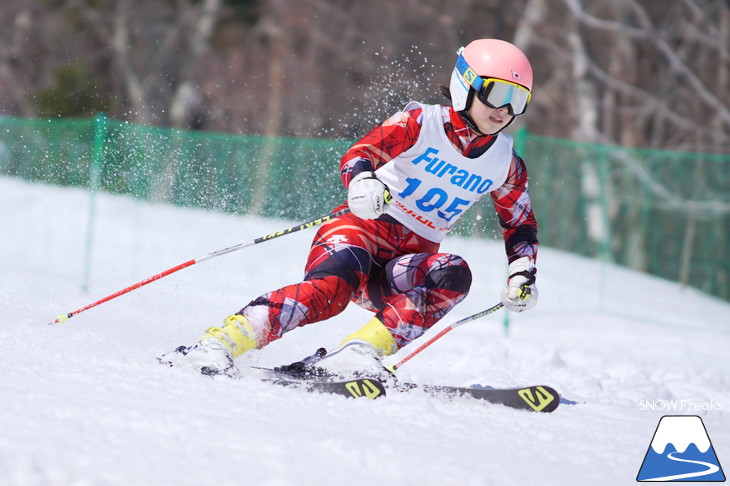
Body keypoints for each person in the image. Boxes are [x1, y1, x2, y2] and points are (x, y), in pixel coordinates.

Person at [160, 38, 539, 379]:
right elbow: (361, 154)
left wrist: (522, 272)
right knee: (330, 291)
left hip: (402, 266)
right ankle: (218, 343)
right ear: (466, 84)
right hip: (361, 230)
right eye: (497, 93)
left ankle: (356, 355)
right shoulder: (421, 122)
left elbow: (519, 224)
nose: (505, 109)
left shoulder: (506, 163)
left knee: (453, 274)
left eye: (518, 99)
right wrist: (363, 182)